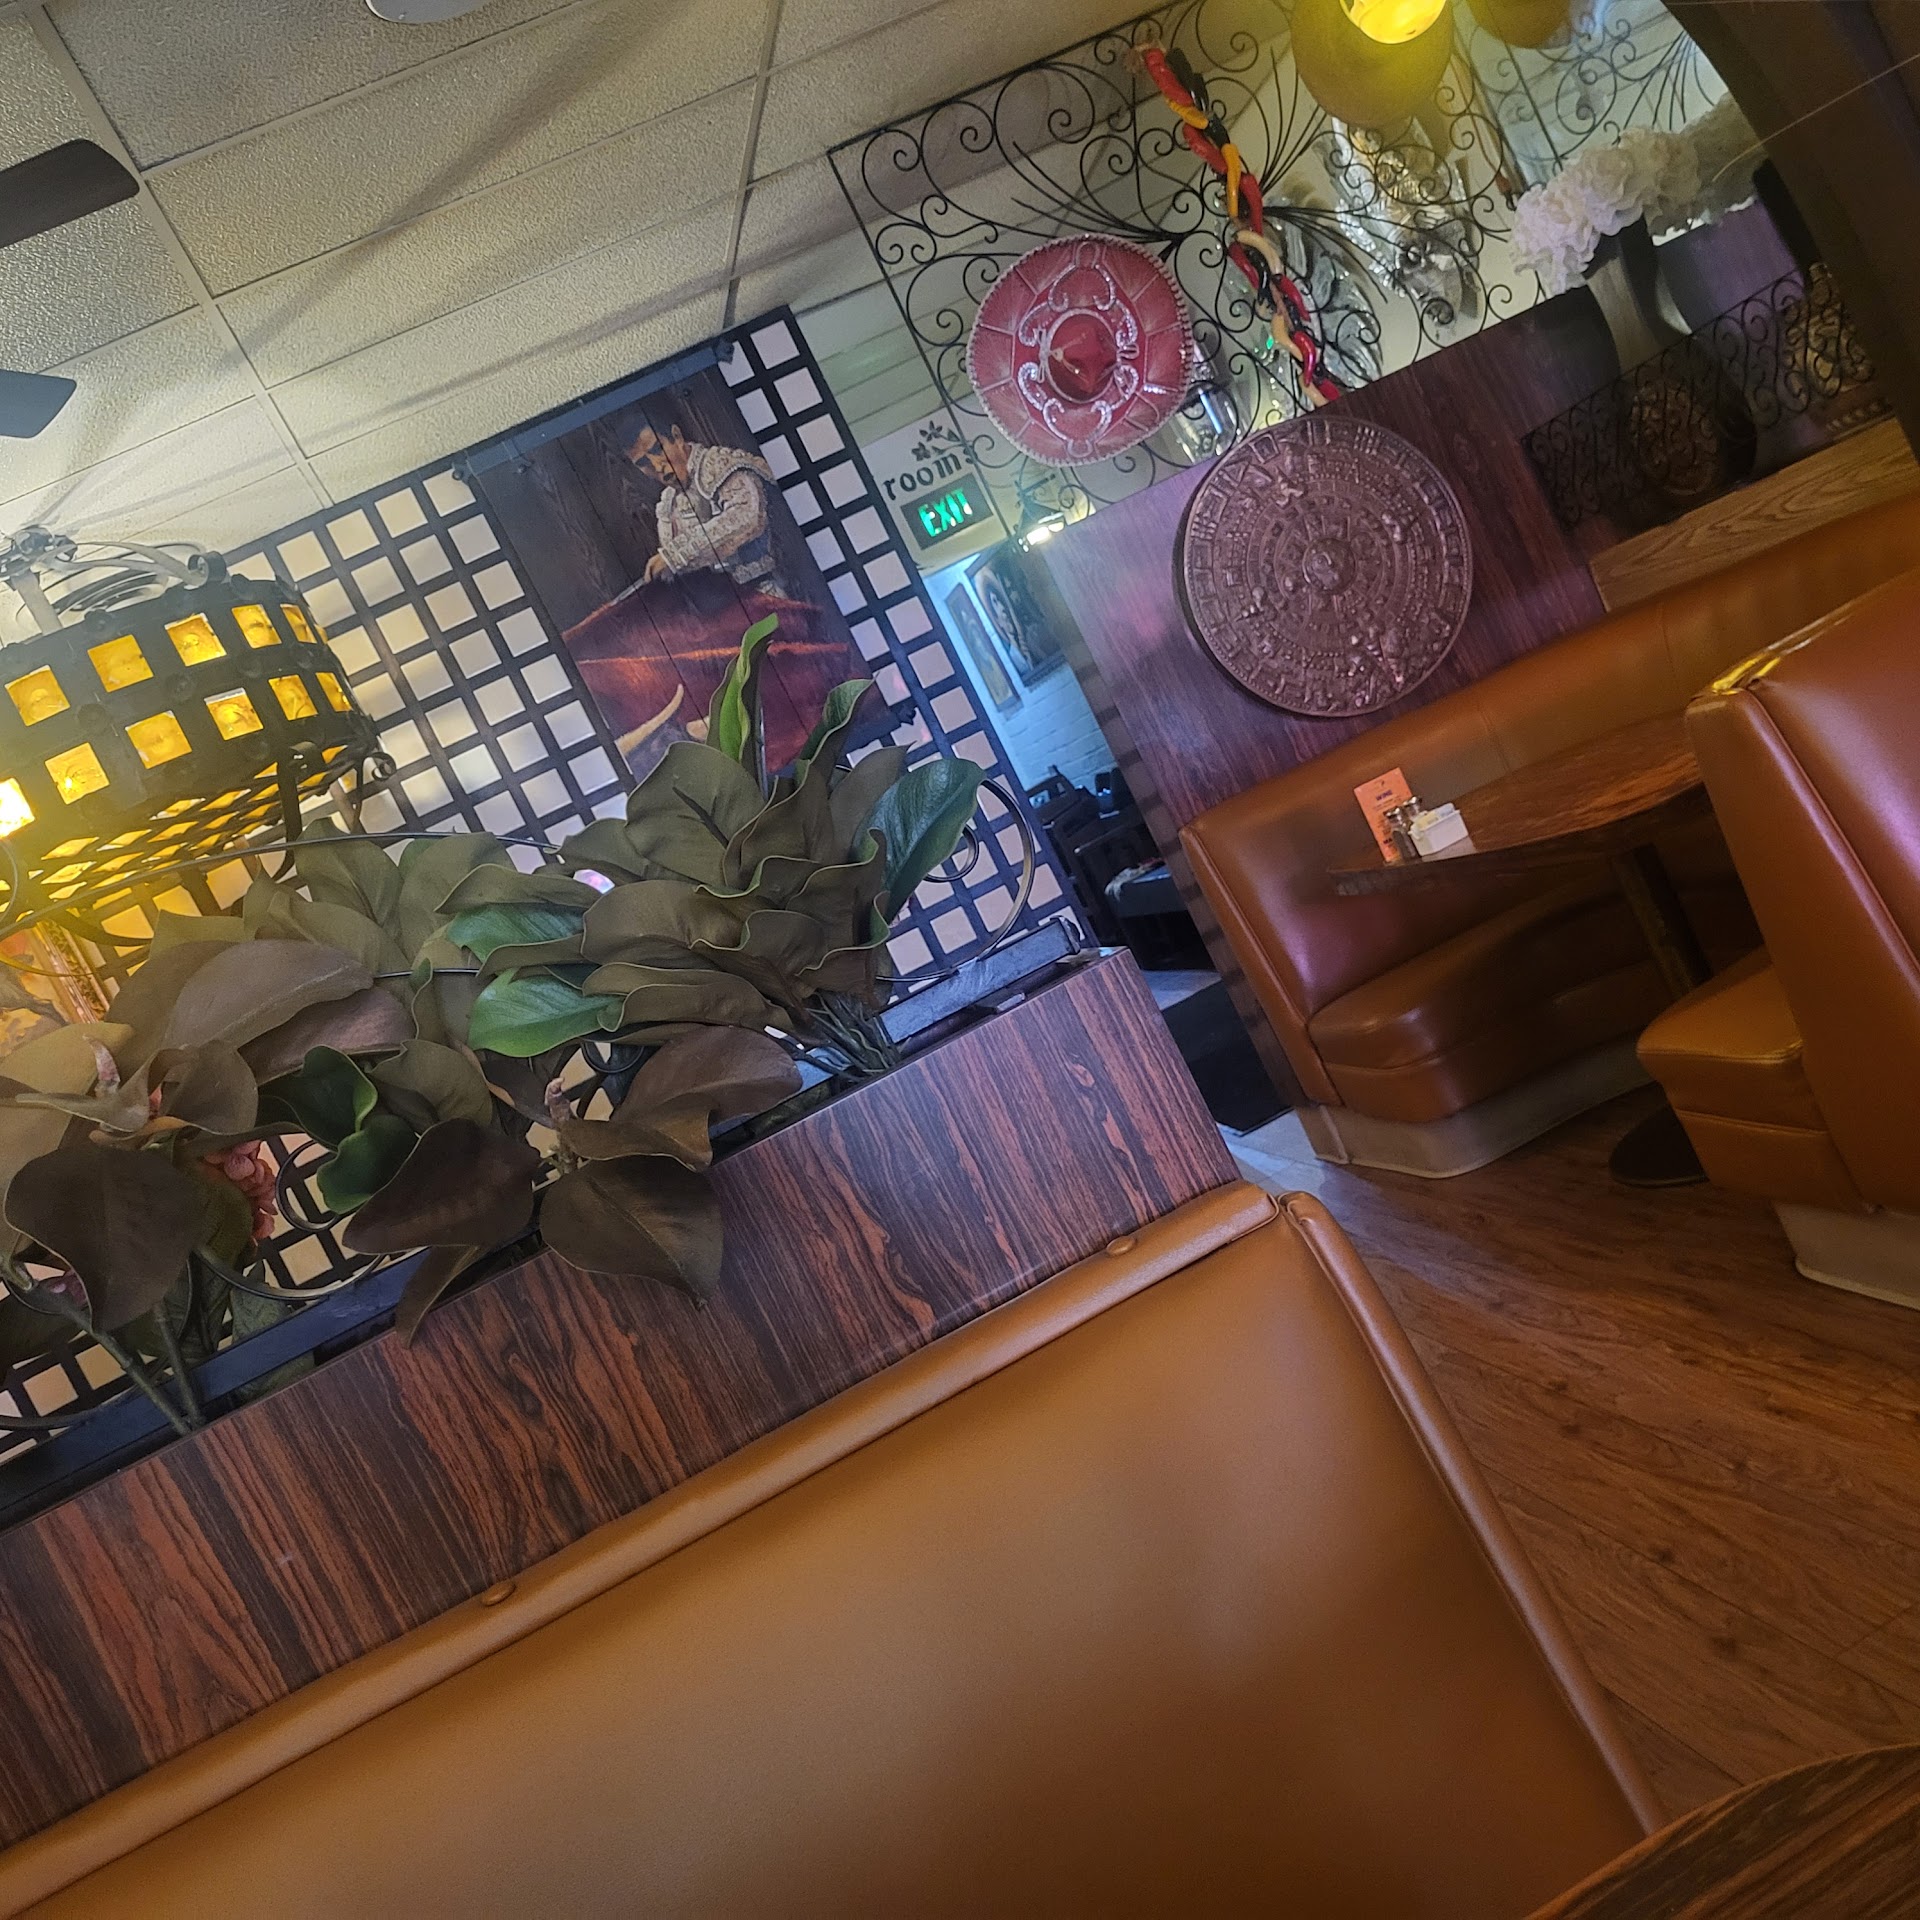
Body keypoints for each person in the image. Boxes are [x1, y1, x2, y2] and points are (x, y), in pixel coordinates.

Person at [628, 421, 786, 597]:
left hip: (764, 592)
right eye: (643, 462)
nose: (657, 466)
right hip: (717, 605)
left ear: (677, 437)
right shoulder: (668, 502)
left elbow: (747, 517)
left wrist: (674, 557)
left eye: (659, 449)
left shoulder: (719, 463)